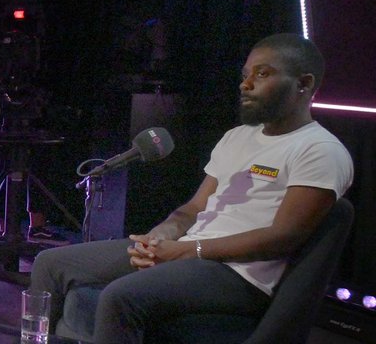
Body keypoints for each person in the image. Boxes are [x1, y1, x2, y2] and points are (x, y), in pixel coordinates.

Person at [29, 33, 353, 343]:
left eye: (262, 74)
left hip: (240, 275)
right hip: (191, 250)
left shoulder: (320, 149)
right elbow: (194, 208)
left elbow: (283, 238)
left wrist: (187, 251)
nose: (246, 84)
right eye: (245, 74)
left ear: (304, 84)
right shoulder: (236, 137)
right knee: (51, 264)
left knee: (119, 297)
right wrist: (162, 235)